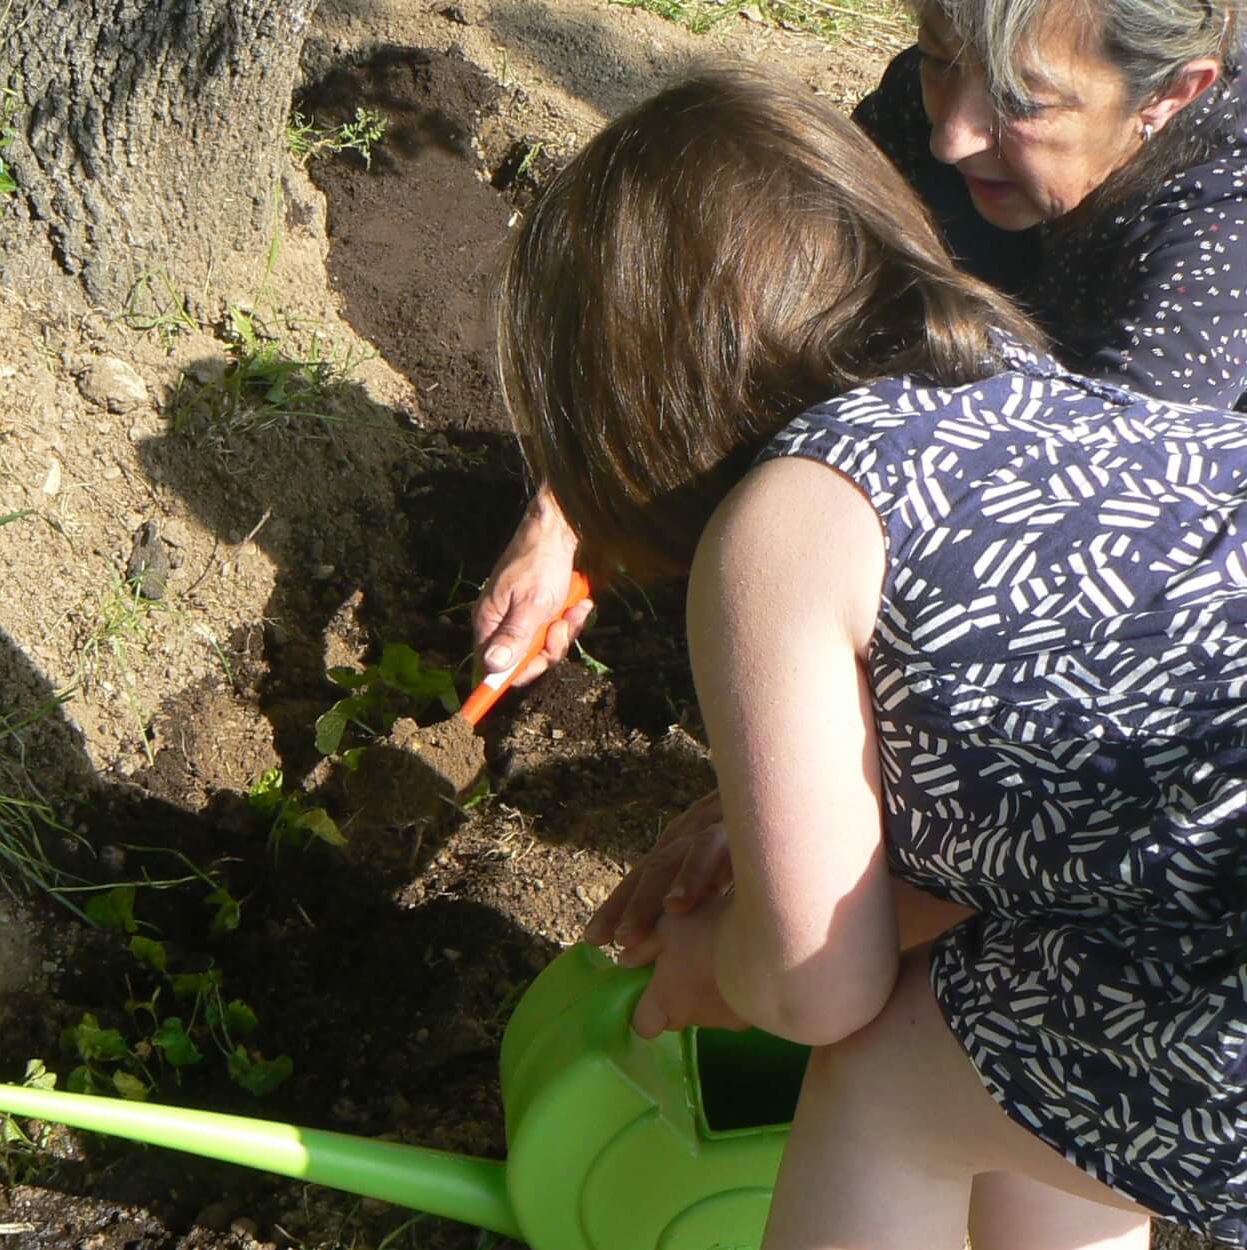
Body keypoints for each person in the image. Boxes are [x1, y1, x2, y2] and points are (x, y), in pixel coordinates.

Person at [484, 67, 1247, 1250]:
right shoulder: (1012, 379)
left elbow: (823, 982)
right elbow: (1032, 798)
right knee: (1041, 1079)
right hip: (1206, 871)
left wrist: (722, 965)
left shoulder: (781, 524)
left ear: (632, 412)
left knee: (898, 1074)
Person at [472, 0, 1242, 718]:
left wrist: (807, 759)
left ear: (1173, 94)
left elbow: (1058, 585)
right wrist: (571, 509)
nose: (954, 136)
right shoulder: (941, 101)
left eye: (1020, 101)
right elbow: (772, 283)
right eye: (941, 58)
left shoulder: (1216, 248)